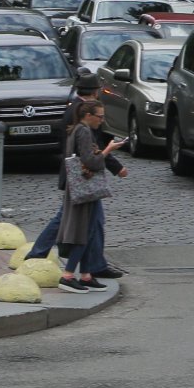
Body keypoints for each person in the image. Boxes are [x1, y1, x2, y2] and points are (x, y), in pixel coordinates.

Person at [24, 74, 128, 278]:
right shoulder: (85, 114)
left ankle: (91, 266)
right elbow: (91, 150)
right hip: (81, 177)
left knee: (92, 221)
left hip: (76, 175)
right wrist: (115, 166)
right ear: (95, 91)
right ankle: (66, 266)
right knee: (71, 220)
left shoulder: (74, 108)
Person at [56, 101, 123, 293]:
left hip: (81, 188)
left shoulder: (78, 129)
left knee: (90, 230)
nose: (102, 121)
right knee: (82, 232)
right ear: (88, 116)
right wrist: (109, 149)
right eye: (100, 117)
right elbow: (90, 161)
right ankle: (68, 275)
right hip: (84, 189)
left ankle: (86, 275)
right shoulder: (83, 131)